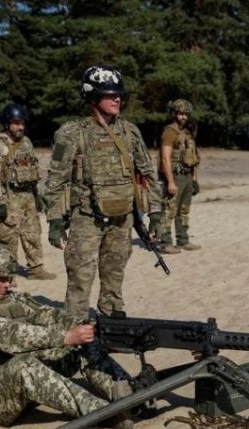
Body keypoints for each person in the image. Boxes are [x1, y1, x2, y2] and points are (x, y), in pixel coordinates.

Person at [0, 244, 134, 427]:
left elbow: (44, 314)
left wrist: (84, 327)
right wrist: (66, 337)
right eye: (1, 279)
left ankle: (125, 391)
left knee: (81, 347)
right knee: (25, 366)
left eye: (9, 278)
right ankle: (101, 412)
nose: (7, 284)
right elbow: (9, 335)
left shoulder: (9, 299)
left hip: (13, 389)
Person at [42, 64, 162, 318]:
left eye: (119, 94)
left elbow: (148, 175)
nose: (117, 98)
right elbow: (56, 179)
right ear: (93, 98)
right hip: (86, 218)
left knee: (114, 273)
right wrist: (54, 219)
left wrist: (156, 214)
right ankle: (75, 329)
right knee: (80, 277)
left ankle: (112, 321)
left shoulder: (129, 131)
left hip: (122, 219)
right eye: (110, 94)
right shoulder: (72, 134)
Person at [0, 103, 55, 280]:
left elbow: (32, 169)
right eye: (16, 123)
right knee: (8, 237)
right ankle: (6, 274)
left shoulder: (26, 142)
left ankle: (36, 268)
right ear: (7, 124)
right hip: (9, 196)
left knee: (33, 232)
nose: (20, 127)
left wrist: (37, 196)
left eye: (22, 123)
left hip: (28, 196)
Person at [157, 98, 201, 254]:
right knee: (169, 210)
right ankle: (166, 242)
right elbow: (165, 158)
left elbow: (193, 157)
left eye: (186, 114)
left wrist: (194, 180)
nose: (184, 117)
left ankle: (183, 240)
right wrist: (170, 182)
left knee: (183, 210)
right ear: (174, 114)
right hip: (174, 176)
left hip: (187, 176)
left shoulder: (187, 132)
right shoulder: (170, 132)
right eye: (181, 114)